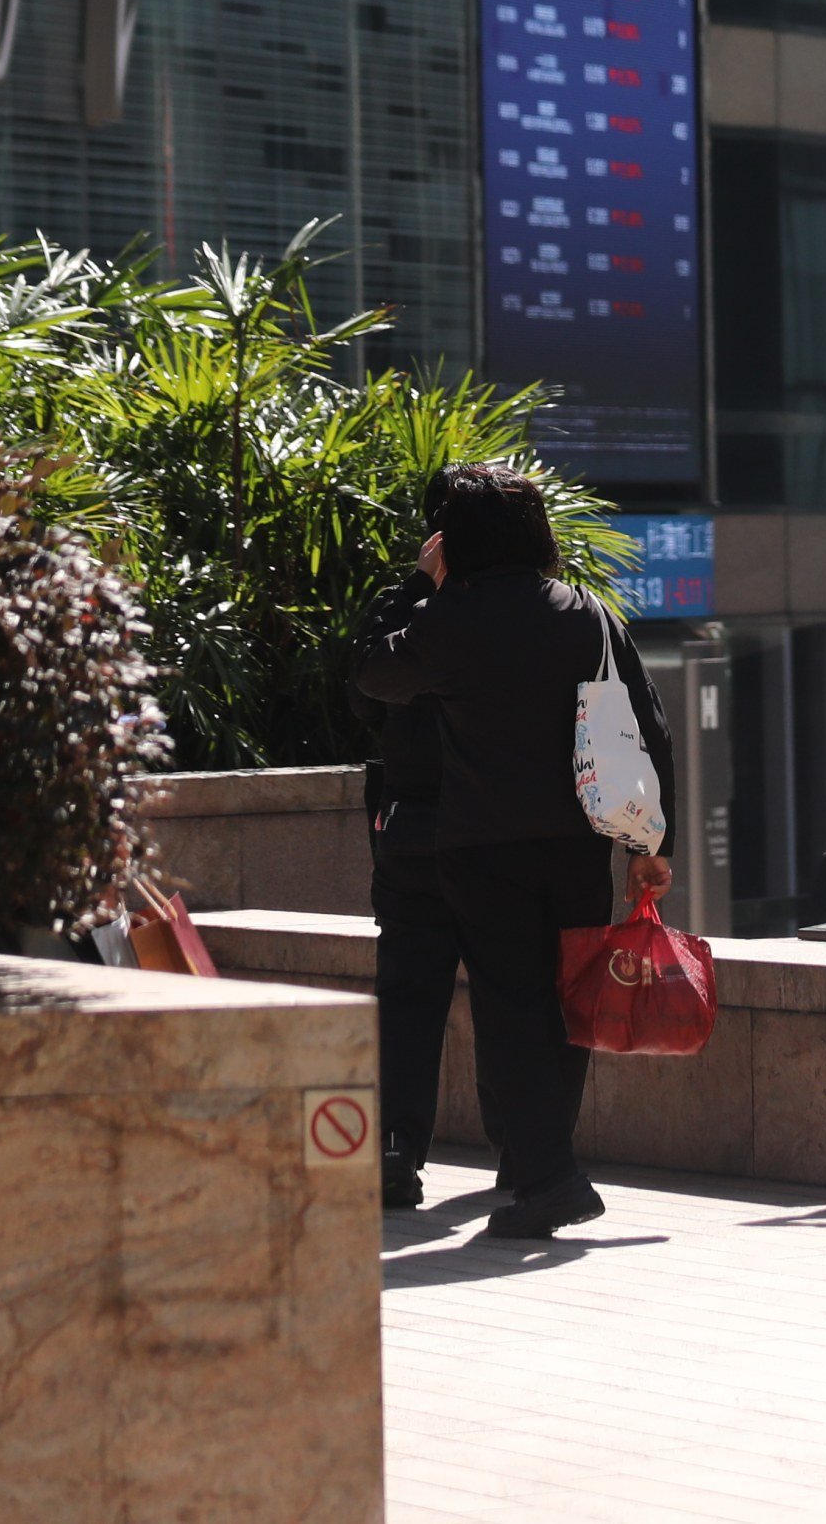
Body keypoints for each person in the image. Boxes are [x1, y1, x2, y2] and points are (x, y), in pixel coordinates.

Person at [354, 465, 677, 1240]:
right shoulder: (584, 614)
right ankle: (543, 1165)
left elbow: (373, 671)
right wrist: (647, 844)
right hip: (575, 846)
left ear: (452, 540)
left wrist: (418, 587)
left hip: (482, 844)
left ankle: (551, 1177)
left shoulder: (450, 618)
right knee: (564, 1002)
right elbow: (647, 726)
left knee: (509, 1008)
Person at [349, 479, 465, 1213]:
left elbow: (361, 687)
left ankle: (396, 1148)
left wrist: (415, 586)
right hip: (509, 836)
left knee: (410, 997)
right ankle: (532, 1159)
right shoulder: (545, 611)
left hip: (417, 829)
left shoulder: (418, 623)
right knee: (517, 995)